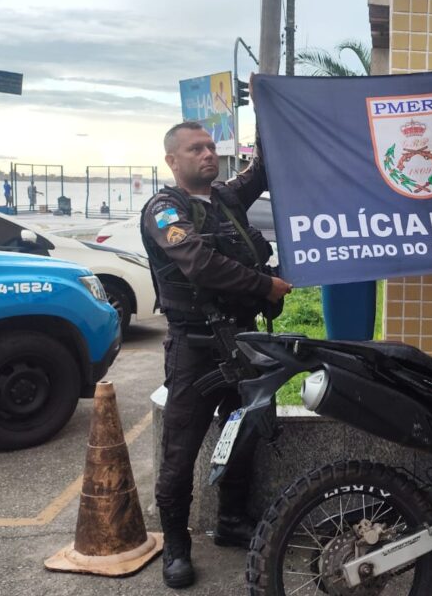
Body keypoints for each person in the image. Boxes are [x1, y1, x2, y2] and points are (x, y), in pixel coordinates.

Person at [140, 120, 291, 589]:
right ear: (172, 160)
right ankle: (176, 546)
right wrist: (264, 285)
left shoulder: (225, 197)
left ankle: (232, 521)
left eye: (210, 147)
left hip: (241, 341)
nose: (207, 154)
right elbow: (200, 264)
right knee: (179, 452)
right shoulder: (165, 210)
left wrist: (265, 104)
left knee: (242, 432)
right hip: (195, 348)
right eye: (195, 149)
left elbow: (263, 169)